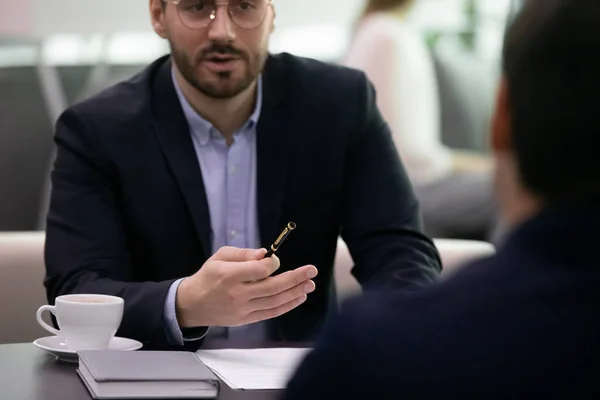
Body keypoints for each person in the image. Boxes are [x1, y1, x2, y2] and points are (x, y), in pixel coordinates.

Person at [43, 0, 442, 351]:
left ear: (271, 14)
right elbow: (77, 289)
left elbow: (399, 250)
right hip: (156, 380)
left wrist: (400, 338)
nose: (222, 30)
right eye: (198, 7)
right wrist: (184, 303)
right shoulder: (97, 130)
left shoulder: (339, 104)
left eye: (245, 6)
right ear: (158, 15)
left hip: (300, 377)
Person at [285, 0, 600, 397]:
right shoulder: (385, 38)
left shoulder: (367, 357)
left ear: (500, 117)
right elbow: (411, 158)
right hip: (424, 182)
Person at [342, 0, 497, 241]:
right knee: (516, 189)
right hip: (405, 189)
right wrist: (481, 165)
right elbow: (411, 159)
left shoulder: (373, 32)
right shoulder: (389, 37)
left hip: (391, 183)